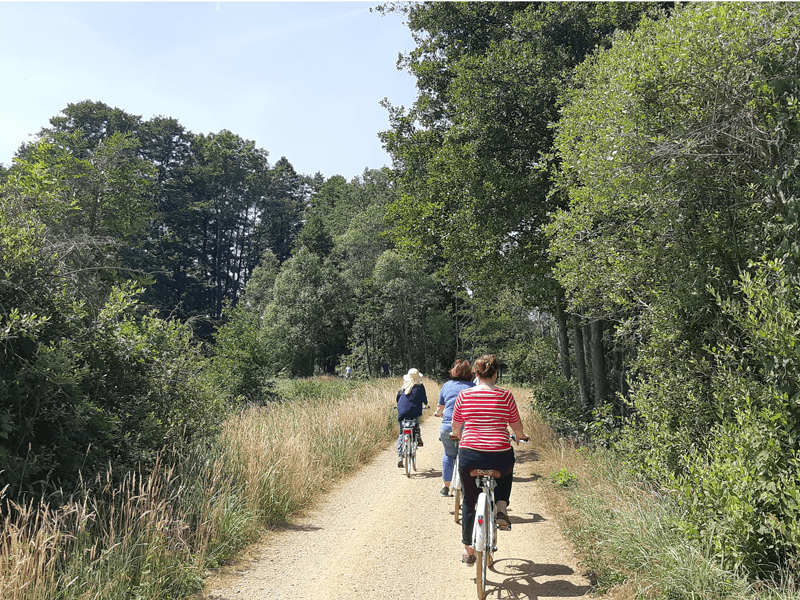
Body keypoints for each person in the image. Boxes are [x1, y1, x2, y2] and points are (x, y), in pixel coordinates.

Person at [450, 354, 529, 565]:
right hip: (498, 454)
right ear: (495, 374)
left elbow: (456, 424)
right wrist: (520, 436)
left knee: (469, 501)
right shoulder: (505, 396)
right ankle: (501, 509)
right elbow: (516, 425)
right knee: (506, 471)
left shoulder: (464, 396)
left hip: (470, 455)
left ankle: (468, 550)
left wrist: (456, 434)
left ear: (476, 374)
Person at [433, 359, 475, 497]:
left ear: (454, 371)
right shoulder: (473, 387)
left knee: (449, 454)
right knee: (469, 456)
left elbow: (440, 408)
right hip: (468, 428)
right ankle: (467, 485)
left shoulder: (447, 385)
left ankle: (445, 487)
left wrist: (438, 414)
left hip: (448, 426)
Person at [395, 368, 428, 467]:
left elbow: (398, 398)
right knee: (415, 420)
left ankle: (400, 456)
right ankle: (417, 437)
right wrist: (426, 405)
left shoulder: (404, 386)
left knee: (401, 434)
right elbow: (424, 399)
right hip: (414, 412)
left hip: (402, 412)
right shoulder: (420, 387)